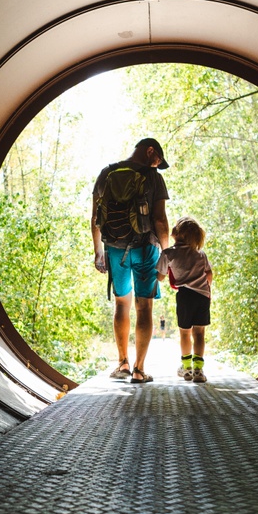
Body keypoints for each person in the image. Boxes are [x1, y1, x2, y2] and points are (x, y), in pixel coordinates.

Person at [92, 138, 170, 383]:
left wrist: (98, 251)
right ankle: (139, 369)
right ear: (149, 152)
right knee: (144, 307)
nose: (158, 164)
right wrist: (166, 255)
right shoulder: (153, 176)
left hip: (114, 247)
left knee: (121, 305)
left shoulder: (107, 173)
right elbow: (160, 220)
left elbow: (95, 217)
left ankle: (122, 363)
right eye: (158, 159)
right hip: (146, 247)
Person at [157, 216, 213, 383]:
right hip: (202, 296)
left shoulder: (169, 254)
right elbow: (209, 274)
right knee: (199, 333)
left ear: (179, 233)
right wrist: (206, 288)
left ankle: (186, 368)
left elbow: (160, 277)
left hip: (185, 296)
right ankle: (198, 370)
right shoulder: (200, 254)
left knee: (184, 333)